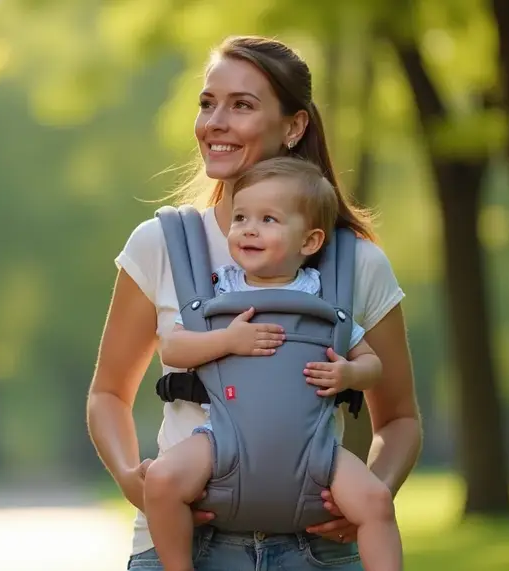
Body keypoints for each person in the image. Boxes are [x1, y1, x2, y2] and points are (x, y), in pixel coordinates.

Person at [86, 35, 421, 570]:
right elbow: (107, 392)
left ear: (294, 126)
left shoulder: (352, 260)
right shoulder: (161, 245)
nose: (214, 121)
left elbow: (400, 418)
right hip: (186, 548)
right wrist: (134, 481)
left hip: (315, 551)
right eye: (207, 103)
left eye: (241, 105)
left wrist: (366, 500)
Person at [144, 157, 403, 571]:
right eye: (241, 216)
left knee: (375, 502)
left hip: (315, 449)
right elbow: (172, 350)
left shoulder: (327, 300)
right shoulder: (216, 291)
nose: (248, 228)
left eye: (268, 219)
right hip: (223, 439)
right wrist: (227, 340)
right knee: (160, 481)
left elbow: (373, 365)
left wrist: (349, 373)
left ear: (310, 241)